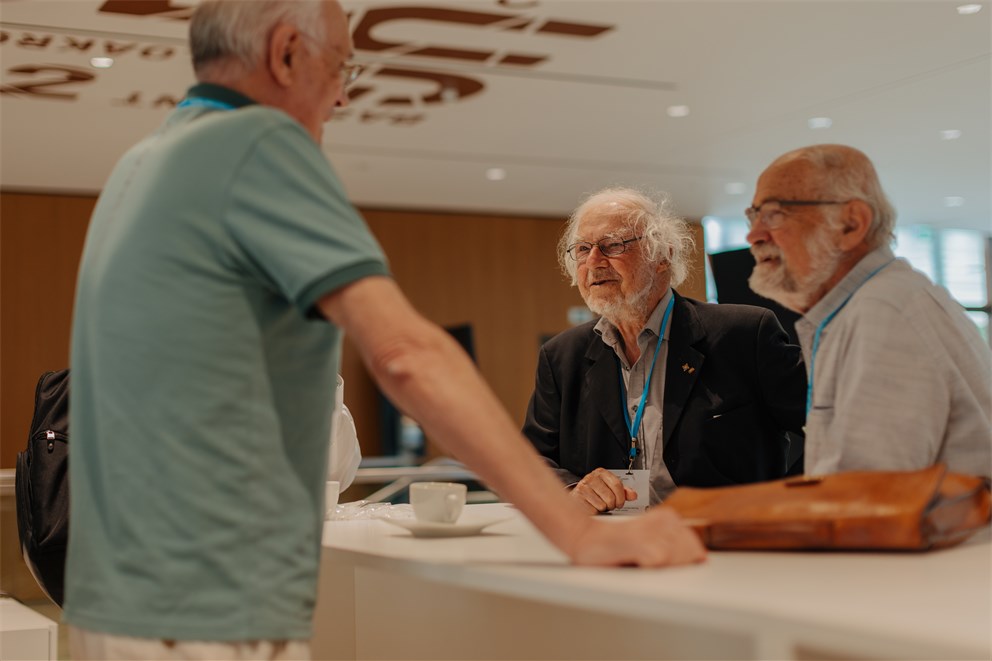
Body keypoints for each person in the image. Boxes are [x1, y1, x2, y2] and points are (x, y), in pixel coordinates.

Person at [63, 2, 705, 658]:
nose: (342, 96)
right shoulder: (256, 142)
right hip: (206, 601)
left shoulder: (143, 161)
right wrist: (579, 534)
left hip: (116, 594)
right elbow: (406, 354)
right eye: (341, 65)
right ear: (286, 54)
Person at [524, 187, 807, 513]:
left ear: (663, 256)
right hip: (613, 541)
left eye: (613, 245)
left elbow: (829, 426)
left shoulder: (743, 335)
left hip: (727, 544)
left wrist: (790, 500)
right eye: (583, 248)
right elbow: (532, 458)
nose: (593, 261)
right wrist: (572, 488)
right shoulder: (562, 356)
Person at [746, 144, 991, 478]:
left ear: (851, 224)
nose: (754, 235)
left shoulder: (884, 312)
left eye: (774, 214)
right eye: (754, 215)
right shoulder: (865, 306)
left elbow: (868, 499)